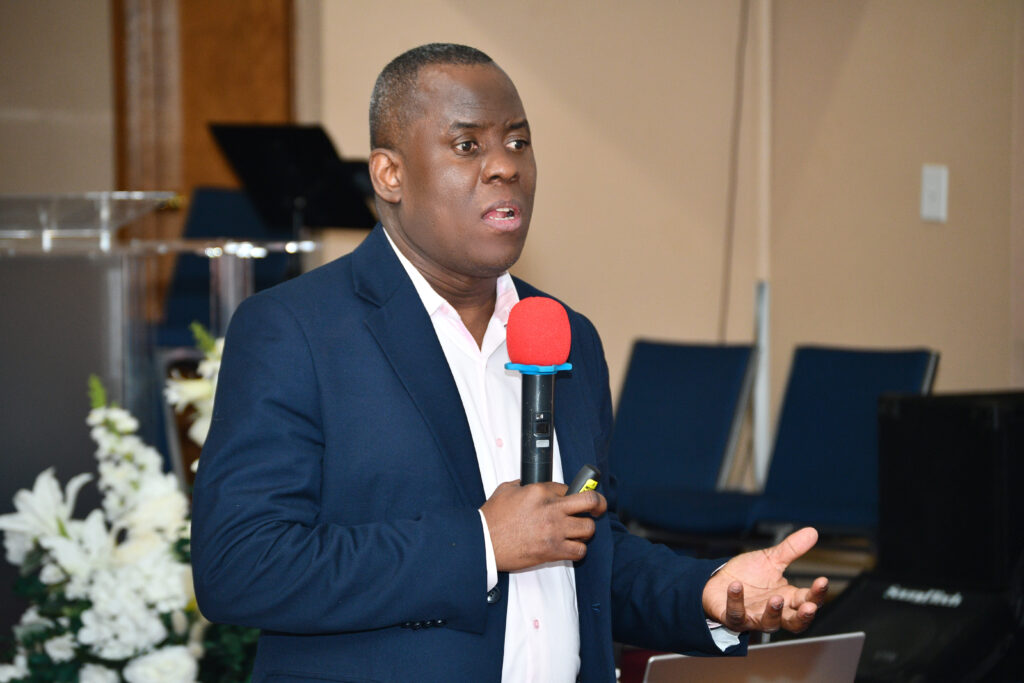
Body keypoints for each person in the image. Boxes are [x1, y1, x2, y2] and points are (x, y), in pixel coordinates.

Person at [191, 43, 828, 682]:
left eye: (518, 142)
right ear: (389, 174)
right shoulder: (296, 330)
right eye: (467, 145)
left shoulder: (564, 334)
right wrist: (481, 544)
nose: (505, 166)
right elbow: (240, 567)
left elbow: (585, 552)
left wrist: (707, 593)